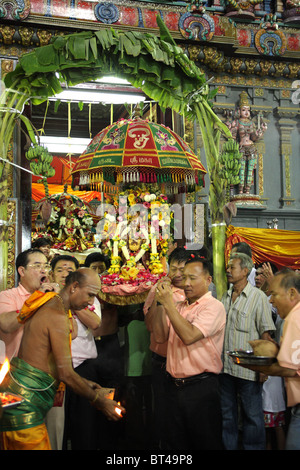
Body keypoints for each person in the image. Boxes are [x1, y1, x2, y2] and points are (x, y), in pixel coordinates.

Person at [0, 268, 124, 450]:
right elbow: (65, 372)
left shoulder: (54, 306)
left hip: (17, 395)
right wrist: (98, 399)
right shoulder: (56, 314)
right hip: (24, 401)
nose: (91, 302)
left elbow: (52, 365)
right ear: (74, 287)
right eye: (89, 295)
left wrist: (85, 383)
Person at [152, 255, 226, 450]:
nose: (186, 283)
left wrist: (168, 304)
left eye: (192, 278)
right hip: (173, 386)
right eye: (184, 278)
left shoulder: (214, 307)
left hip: (201, 388)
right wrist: (160, 302)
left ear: (208, 280)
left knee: (205, 442)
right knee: (176, 444)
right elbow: (159, 337)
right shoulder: (179, 307)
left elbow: (189, 335)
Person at [221, 252, 276, 450]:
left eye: (232, 267)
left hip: (248, 371)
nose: (227, 270)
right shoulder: (225, 296)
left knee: (252, 417)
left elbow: (266, 335)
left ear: (245, 271)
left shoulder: (258, 298)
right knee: (228, 416)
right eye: (227, 267)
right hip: (226, 369)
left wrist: (263, 369)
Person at [241, 270, 300, 450]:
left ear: (292, 293)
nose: (271, 301)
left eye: (274, 294)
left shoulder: (294, 318)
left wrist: (253, 364)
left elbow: (291, 368)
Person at [143, 247, 189, 448]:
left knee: (183, 413)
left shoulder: (192, 293)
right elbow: (150, 326)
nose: (177, 274)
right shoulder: (156, 290)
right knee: (162, 412)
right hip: (161, 362)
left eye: (182, 270)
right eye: (174, 268)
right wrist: (161, 301)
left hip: (185, 363)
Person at [44, 254, 80, 450]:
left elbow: (72, 332)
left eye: (70, 271)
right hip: (33, 373)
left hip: (59, 374)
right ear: (50, 274)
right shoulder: (40, 296)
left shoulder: (70, 300)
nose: (65, 275)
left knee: (56, 425)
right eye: (60, 270)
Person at [0, 248, 59, 361]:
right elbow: (6, 324)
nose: (44, 271)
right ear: (22, 271)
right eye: (37, 266)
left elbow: (72, 333)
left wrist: (58, 300)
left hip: (45, 368)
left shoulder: (51, 297)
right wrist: (37, 298)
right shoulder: (7, 296)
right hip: (15, 369)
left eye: (46, 266)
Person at [255, 262, 286, 450]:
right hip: (261, 365)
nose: (259, 277)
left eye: (263, 274)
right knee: (265, 423)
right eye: (257, 274)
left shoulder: (278, 304)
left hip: (275, 368)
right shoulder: (259, 298)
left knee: (277, 422)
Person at [226, 91, 267, 194]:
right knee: (241, 171)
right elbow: (233, 137)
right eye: (243, 110)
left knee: (250, 172)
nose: (246, 112)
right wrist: (229, 128)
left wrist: (261, 130)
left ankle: (247, 191)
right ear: (238, 111)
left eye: (248, 110)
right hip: (241, 149)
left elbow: (254, 137)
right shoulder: (237, 122)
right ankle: (240, 191)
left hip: (251, 147)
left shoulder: (251, 123)